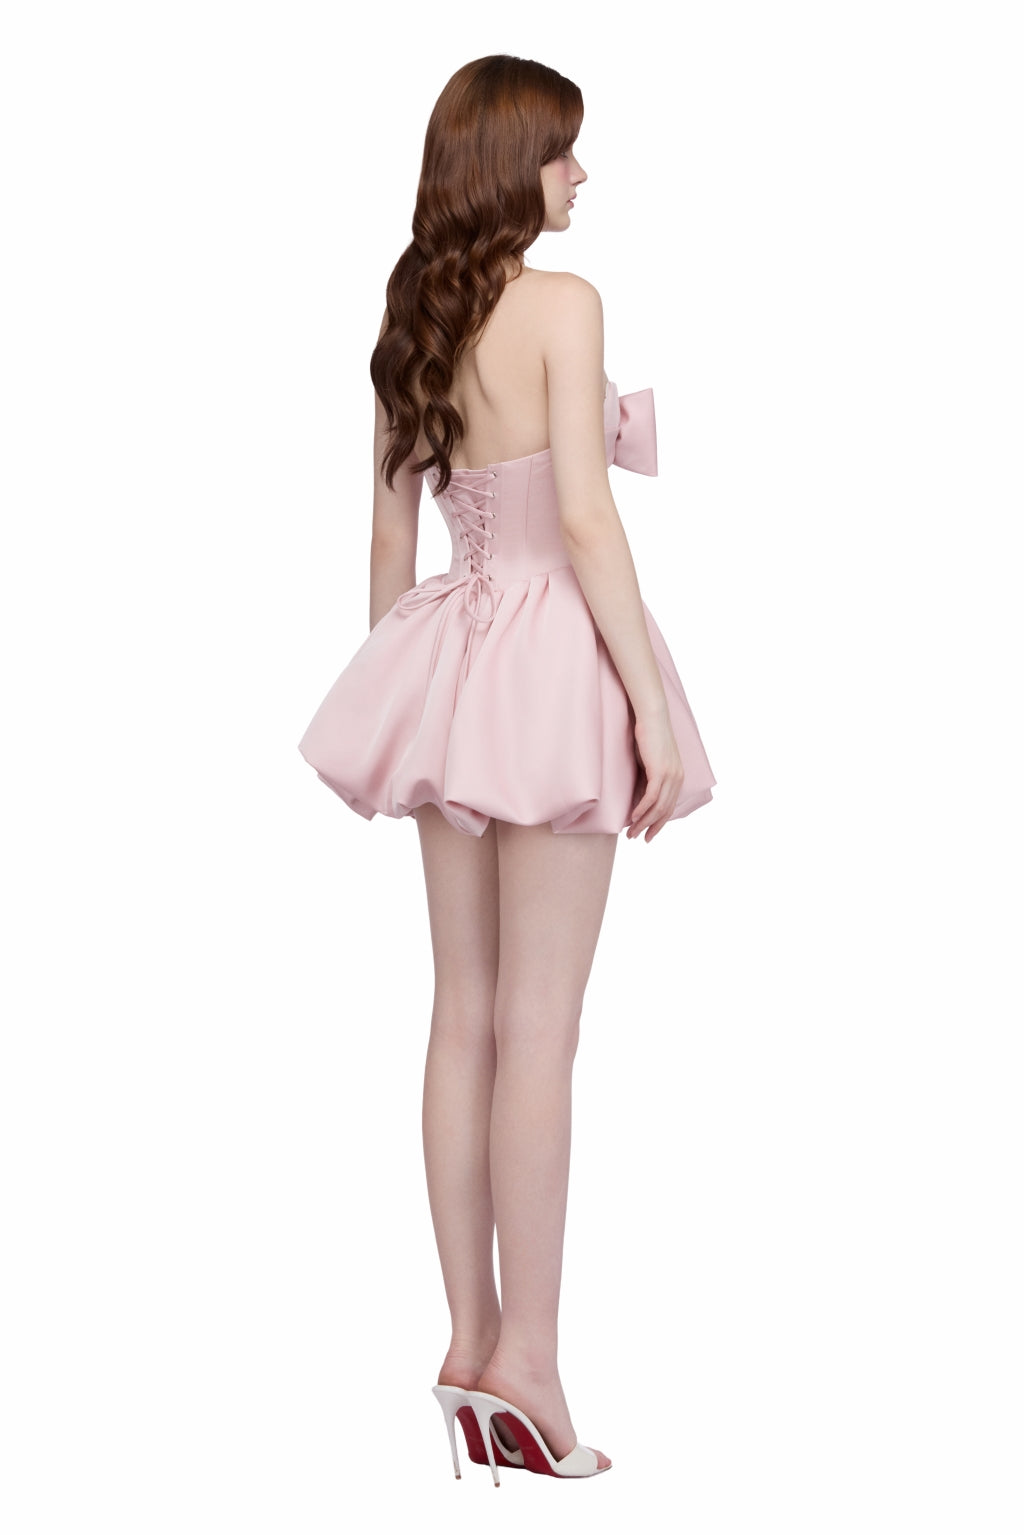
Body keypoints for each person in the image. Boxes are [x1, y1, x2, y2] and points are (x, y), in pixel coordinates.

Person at [297, 54, 716, 1483]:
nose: (580, 175)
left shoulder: (413, 308)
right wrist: (652, 708)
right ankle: (529, 1364)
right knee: (541, 1026)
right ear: (511, 163)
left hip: (452, 660)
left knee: (462, 1014)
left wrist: (399, 698)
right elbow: (587, 522)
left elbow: (386, 540)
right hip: (551, 658)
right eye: (562, 151)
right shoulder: (563, 303)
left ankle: (470, 1343)